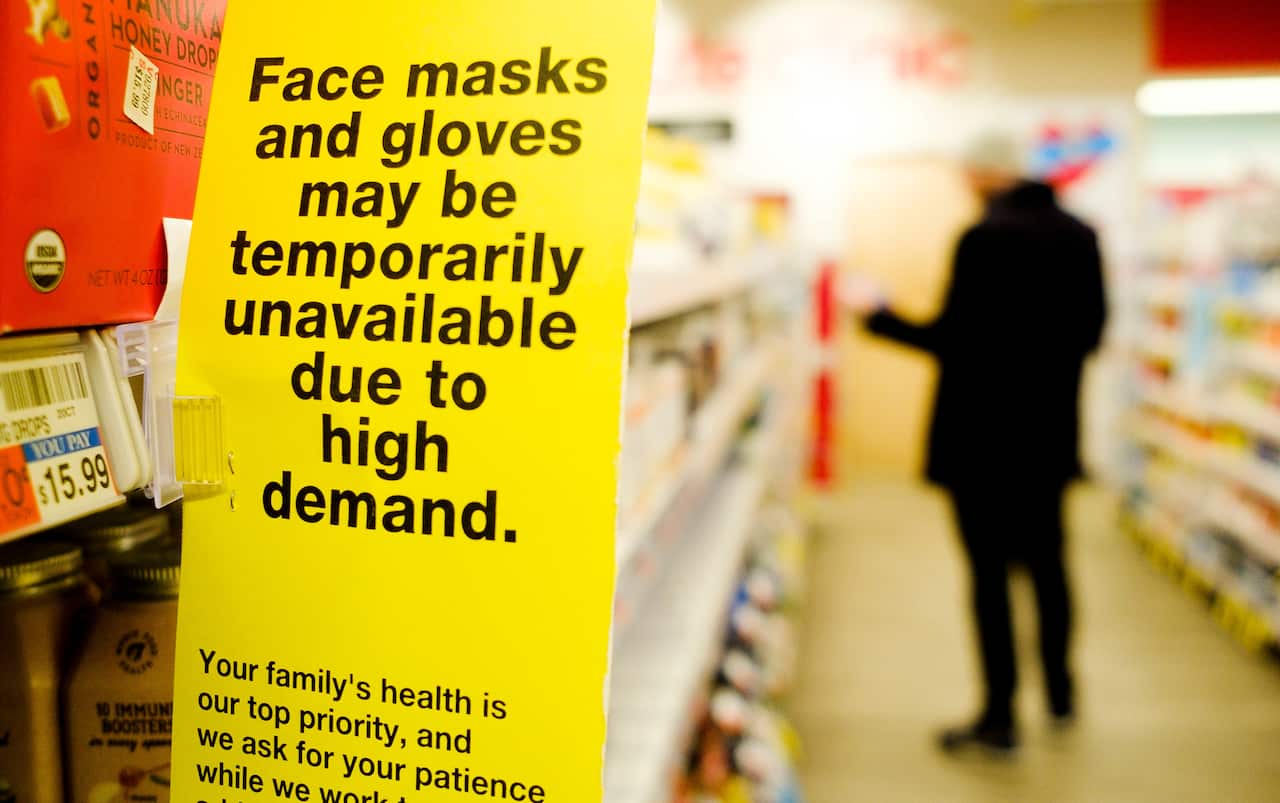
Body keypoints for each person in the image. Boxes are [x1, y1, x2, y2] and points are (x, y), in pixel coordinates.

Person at [841, 132, 1107, 755]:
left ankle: (1000, 717)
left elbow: (954, 341)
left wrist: (878, 315)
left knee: (989, 576)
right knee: (1049, 565)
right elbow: (1092, 334)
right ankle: (1062, 694)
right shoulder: (1080, 235)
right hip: (1047, 437)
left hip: (982, 442)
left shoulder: (984, 237)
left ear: (986, 172)